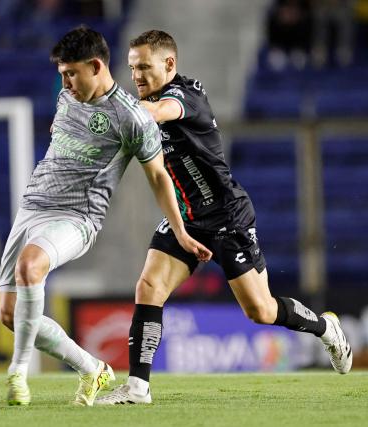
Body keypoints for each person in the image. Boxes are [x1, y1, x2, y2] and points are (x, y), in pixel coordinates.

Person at [95, 30, 353, 405]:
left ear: (169, 65)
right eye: (132, 68)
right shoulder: (143, 103)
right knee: (148, 288)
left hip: (227, 217)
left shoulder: (185, 96)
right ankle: (137, 387)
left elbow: (156, 113)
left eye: (144, 67)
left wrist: (100, 106)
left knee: (260, 311)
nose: (136, 76)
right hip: (186, 217)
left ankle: (325, 327)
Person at [0, 26, 212, 407]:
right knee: (10, 314)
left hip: (78, 216)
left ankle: (18, 372)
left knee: (31, 267)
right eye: (62, 74)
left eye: (71, 73)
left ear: (96, 66)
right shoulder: (68, 96)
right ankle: (92, 368)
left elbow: (159, 176)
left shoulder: (131, 118)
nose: (65, 82)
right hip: (32, 208)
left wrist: (179, 229)